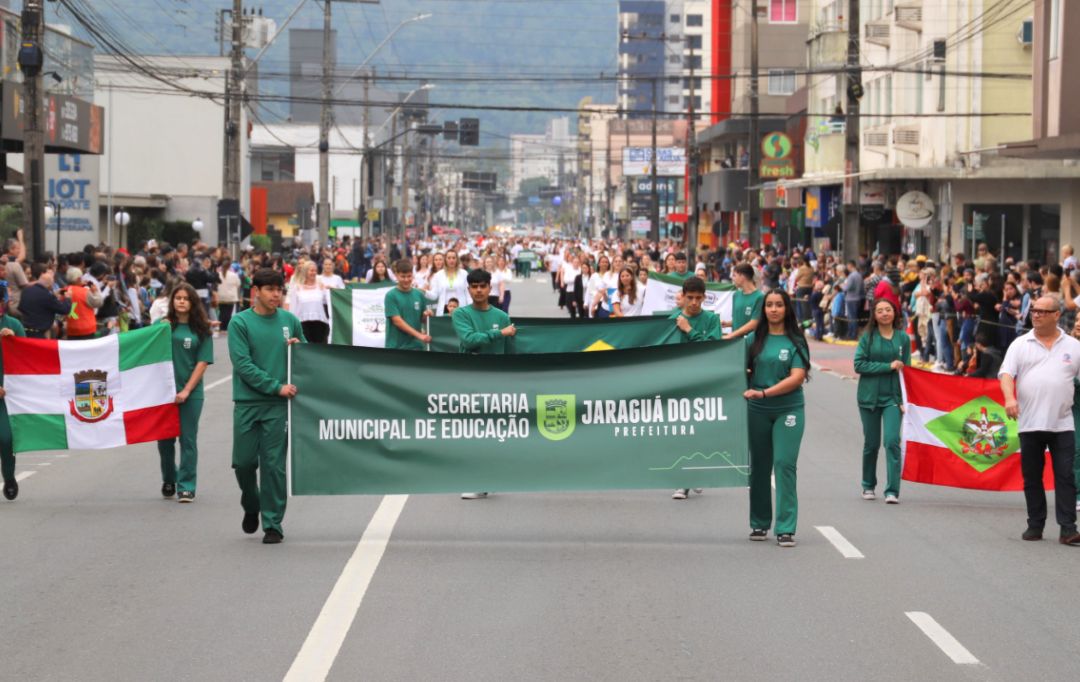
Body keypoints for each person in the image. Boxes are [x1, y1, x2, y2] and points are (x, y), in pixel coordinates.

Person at [228, 268, 306, 544]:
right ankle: (252, 504)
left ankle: (273, 523)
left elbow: (306, 358)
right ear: (255, 292)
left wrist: (298, 348)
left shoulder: (290, 321)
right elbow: (243, 365)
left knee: (273, 465)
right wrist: (275, 385)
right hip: (248, 403)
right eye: (270, 290)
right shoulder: (240, 324)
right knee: (244, 463)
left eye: (279, 290)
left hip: (278, 405)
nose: (276, 295)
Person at [999, 296, 1080, 545]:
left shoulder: (1074, 346)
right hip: (1030, 422)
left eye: (1043, 311)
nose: (1036, 315)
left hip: (1062, 422)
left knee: (1065, 475)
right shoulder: (1021, 344)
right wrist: (1010, 398)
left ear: (1057, 315)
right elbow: (1006, 374)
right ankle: (1035, 525)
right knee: (1032, 476)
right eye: (1034, 311)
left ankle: (1068, 529)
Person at [744, 289, 810, 547]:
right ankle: (759, 523)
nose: (773, 309)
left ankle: (786, 527)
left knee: (784, 464)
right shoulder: (753, 340)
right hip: (757, 411)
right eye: (769, 305)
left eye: (778, 305)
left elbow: (797, 378)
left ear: (786, 309)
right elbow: (733, 369)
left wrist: (764, 392)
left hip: (788, 409)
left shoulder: (796, 341)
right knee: (759, 467)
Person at [451, 268, 516, 500]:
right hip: (469, 380)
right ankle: (478, 479)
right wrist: (499, 334)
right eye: (474, 286)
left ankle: (486, 478)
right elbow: (469, 341)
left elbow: (510, 352)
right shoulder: (461, 314)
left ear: (490, 288)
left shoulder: (502, 317)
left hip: (496, 381)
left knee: (491, 434)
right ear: (468, 289)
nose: (479, 290)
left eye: (483, 286)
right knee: (472, 433)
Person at [156, 283, 213, 503]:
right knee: (164, 441)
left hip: (191, 393)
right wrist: (159, 329)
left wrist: (187, 390)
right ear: (171, 302)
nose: (181, 301)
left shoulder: (201, 330)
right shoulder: (162, 326)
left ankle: (187, 485)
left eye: (185, 298)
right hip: (162, 393)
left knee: (188, 440)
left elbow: (202, 362)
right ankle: (169, 477)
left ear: (192, 303)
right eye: (177, 298)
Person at [854, 298, 911, 504]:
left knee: (891, 442)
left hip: (893, 399)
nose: (885, 313)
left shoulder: (903, 339)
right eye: (880, 310)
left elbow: (908, 372)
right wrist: (887, 366)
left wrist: (906, 400)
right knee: (871, 444)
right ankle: (868, 485)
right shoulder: (867, 337)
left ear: (895, 313)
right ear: (875, 315)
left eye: (888, 310)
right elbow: (859, 365)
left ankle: (892, 490)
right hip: (868, 398)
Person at [670, 276, 721, 500]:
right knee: (681, 430)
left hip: (703, 381)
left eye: (698, 298)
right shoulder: (672, 319)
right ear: (682, 296)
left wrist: (689, 329)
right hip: (678, 382)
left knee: (699, 430)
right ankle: (683, 480)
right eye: (689, 297)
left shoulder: (711, 319)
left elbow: (712, 348)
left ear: (704, 297)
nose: (693, 302)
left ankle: (693, 474)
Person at [0, 283, 26, 500]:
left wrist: (14, 342)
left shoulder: (14, 325)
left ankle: (8, 476)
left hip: (7, 395)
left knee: (7, 438)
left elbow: (28, 360)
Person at [385, 259, 432, 350]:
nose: (406, 280)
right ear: (396, 276)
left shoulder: (419, 294)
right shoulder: (391, 295)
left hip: (416, 346)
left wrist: (427, 315)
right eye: (403, 276)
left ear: (413, 276)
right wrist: (419, 335)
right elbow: (397, 321)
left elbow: (422, 320)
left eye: (409, 276)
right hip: (396, 347)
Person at [16, 263, 71, 339]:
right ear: (49, 285)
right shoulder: (47, 296)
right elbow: (64, 309)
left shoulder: (26, 291)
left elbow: (21, 307)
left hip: (25, 330)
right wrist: (67, 298)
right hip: (40, 333)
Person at [286, 261, 330, 344]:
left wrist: (331, 290)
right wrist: (292, 325)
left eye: (315, 270)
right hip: (303, 324)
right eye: (311, 270)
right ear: (305, 272)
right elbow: (293, 308)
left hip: (320, 324)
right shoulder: (297, 288)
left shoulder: (321, 286)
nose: (314, 273)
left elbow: (329, 302)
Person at [724, 263, 763, 340]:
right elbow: (739, 320)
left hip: (751, 343)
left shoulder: (760, 297)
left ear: (742, 276)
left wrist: (731, 335)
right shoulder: (736, 295)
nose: (732, 278)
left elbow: (753, 323)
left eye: (734, 275)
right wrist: (727, 324)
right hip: (735, 343)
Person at [216, 260, 242, 332]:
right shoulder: (233, 275)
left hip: (220, 296)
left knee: (221, 312)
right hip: (231, 297)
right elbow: (238, 284)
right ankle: (226, 327)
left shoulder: (218, 274)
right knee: (228, 312)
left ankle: (221, 327)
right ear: (229, 266)